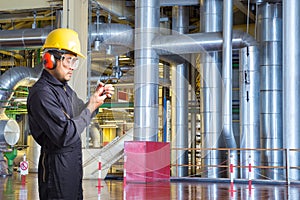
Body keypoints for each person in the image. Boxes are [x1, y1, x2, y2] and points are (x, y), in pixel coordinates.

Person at [27, 28, 114, 200]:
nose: (73, 67)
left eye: (75, 61)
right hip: (56, 172)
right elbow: (65, 134)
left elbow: (82, 113)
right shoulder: (42, 94)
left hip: (72, 168)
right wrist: (90, 107)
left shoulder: (65, 89)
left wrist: (95, 100)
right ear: (50, 59)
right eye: (69, 60)